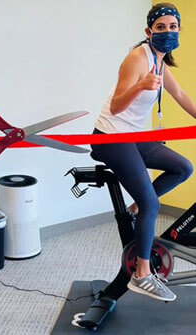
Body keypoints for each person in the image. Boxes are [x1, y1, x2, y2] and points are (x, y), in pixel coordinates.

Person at [91, 3, 195, 302]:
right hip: (111, 138)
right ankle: (142, 274)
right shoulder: (138, 58)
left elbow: (181, 95)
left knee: (183, 168)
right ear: (149, 32)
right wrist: (141, 86)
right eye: (160, 28)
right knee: (152, 203)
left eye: (172, 27)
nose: (167, 32)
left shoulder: (161, 61)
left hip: (134, 137)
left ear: (178, 30)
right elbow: (116, 106)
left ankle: (137, 207)